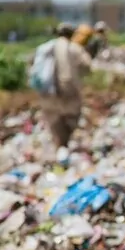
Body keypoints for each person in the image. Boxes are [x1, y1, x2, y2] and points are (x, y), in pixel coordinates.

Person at [39, 22, 92, 161]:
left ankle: (59, 147)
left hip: (48, 90)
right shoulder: (74, 48)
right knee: (72, 115)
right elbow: (87, 65)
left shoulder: (46, 47)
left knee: (54, 119)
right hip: (68, 88)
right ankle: (65, 145)